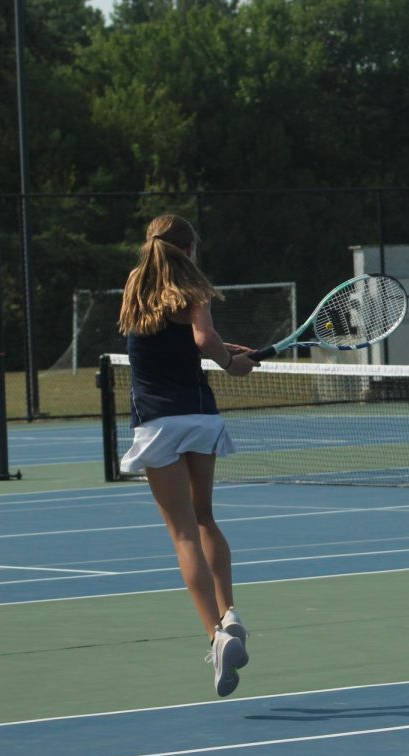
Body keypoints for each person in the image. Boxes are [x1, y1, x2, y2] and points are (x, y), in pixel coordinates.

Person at [117, 213, 259, 697]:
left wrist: (222, 351)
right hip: (199, 416)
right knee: (204, 519)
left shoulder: (135, 285)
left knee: (182, 535)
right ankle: (231, 612)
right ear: (189, 250)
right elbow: (199, 340)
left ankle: (216, 636)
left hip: (157, 422)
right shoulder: (193, 288)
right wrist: (229, 363)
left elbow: (172, 344)